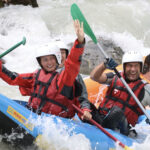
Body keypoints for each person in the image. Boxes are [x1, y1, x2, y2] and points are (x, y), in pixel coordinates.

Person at [0, 20, 91, 121]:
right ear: (40, 62)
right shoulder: (36, 75)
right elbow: (13, 78)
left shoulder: (63, 79)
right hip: (34, 114)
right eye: (45, 60)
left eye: (52, 59)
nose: (49, 63)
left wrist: (79, 43)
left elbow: (73, 64)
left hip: (56, 122)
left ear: (57, 58)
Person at [90, 51, 150, 136]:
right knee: (85, 104)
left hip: (122, 128)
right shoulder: (115, 77)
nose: (133, 69)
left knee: (117, 111)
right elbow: (94, 77)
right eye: (130, 66)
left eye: (136, 66)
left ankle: (100, 132)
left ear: (141, 67)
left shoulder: (146, 89)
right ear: (124, 67)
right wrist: (104, 65)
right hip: (102, 119)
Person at [56, 40, 92, 121]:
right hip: (46, 112)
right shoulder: (42, 72)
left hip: (64, 116)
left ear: (66, 55)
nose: (61, 56)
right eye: (58, 53)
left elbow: (83, 98)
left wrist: (85, 110)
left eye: (62, 53)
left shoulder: (74, 75)